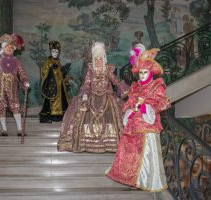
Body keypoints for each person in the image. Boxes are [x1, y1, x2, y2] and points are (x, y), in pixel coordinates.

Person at [106, 48, 171, 192]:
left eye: (145, 72)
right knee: (132, 154)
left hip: (147, 126)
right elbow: (128, 103)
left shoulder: (157, 86)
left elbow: (164, 103)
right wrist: (131, 109)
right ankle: (131, 180)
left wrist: (145, 108)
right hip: (133, 126)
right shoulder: (135, 87)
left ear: (151, 72)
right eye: (140, 72)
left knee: (145, 154)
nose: (142, 75)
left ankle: (146, 181)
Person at [57, 42, 129, 153]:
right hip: (92, 97)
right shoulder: (90, 71)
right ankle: (87, 142)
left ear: (104, 59)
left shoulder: (108, 70)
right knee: (81, 113)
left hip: (107, 97)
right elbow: (86, 84)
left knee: (112, 116)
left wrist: (126, 89)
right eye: (96, 59)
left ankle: (109, 142)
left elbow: (116, 81)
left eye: (100, 59)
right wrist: (85, 94)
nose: (98, 61)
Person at [0, 34, 30, 136]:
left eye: (12, 47)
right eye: (8, 46)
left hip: (13, 88)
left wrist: (25, 81)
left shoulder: (16, 61)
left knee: (16, 106)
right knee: (0, 107)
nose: (10, 49)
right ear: (3, 47)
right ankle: (4, 129)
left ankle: (20, 130)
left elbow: (22, 73)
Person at [39, 41, 70, 123]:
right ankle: (48, 117)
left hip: (60, 86)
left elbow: (59, 73)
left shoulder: (58, 61)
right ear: (50, 51)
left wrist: (63, 72)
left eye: (56, 51)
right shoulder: (48, 62)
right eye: (53, 51)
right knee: (50, 100)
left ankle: (59, 116)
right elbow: (44, 72)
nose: (55, 53)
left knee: (62, 100)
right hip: (51, 86)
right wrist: (51, 69)